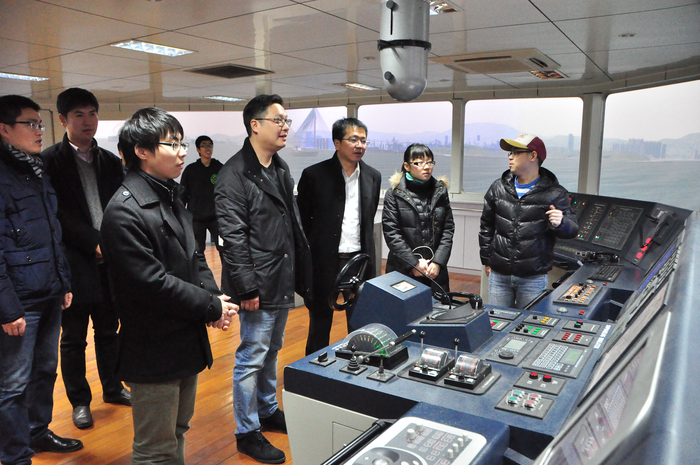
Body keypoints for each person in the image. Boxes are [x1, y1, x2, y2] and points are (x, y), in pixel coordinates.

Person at [100, 107, 238, 465]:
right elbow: (151, 283)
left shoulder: (170, 194)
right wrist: (210, 306)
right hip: (153, 346)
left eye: (182, 143)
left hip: (184, 338)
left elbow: (194, 256)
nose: (182, 152)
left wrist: (213, 297)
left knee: (178, 430)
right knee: (155, 449)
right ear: (142, 151)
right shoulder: (124, 211)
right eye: (172, 144)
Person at [214, 94, 311, 464]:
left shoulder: (279, 168)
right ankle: (246, 431)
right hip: (256, 285)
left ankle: (267, 410)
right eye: (278, 120)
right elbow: (232, 238)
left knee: (271, 349)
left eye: (287, 121)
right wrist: (247, 288)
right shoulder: (234, 174)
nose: (285, 127)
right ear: (255, 125)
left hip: (279, 277)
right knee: (251, 356)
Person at [41, 88, 129, 430]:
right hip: (73, 263)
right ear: (63, 120)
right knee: (74, 338)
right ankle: (80, 401)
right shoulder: (49, 161)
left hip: (110, 264)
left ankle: (113, 387)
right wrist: (93, 241)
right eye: (79, 114)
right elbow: (54, 213)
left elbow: (119, 207)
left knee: (109, 331)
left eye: (92, 113)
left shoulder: (110, 161)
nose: (88, 120)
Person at [0, 95, 82, 463]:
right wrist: (7, 309)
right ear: (4, 130)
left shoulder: (36, 171)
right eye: (30, 124)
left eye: (39, 123)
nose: (39, 130)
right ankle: (15, 455)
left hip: (48, 291)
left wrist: (63, 283)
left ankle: (38, 432)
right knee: (12, 384)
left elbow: (53, 234)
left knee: (45, 370)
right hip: (19, 302)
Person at [297, 117, 381, 356]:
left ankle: (358, 366)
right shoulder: (314, 175)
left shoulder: (372, 176)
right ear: (337, 143)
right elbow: (302, 223)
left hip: (359, 261)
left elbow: (367, 219)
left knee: (360, 322)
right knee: (320, 322)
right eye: (353, 140)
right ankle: (314, 368)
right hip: (324, 261)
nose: (359, 145)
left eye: (363, 140)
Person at [479, 134, 578, 309]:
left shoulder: (555, 194)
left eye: (516, 152)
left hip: (533, 279)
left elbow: (572, 230)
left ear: (533, 156)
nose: (510, 157)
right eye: (510, 153)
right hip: (499, 276)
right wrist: (487, 261)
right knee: (498, 322)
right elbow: (486, 226)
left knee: (528, 324)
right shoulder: (498, 188)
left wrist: (561, 222)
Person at [382, 143, 454, 296]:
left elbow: (447, 230)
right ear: (406, 166)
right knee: (404, 308)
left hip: (435, 271)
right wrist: (413, 263)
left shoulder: (440, 192)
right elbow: (392, 234)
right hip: (403, 268)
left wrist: (438, 262)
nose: (426, 167)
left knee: (437, 309)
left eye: (429, 162)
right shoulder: (394, 194)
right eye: (419, 163)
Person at [180, 135, 224, 255]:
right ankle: (200, 269)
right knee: (197, 251)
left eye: (210, 145)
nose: (208, 148)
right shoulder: (191, 170)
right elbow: (182, 195)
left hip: (217, 218)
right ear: (198, 149)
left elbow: (226, 191)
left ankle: (226, 269)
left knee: (224, 248)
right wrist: (181, 216)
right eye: (204, 146)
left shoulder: (219, 168)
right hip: (196, 219)